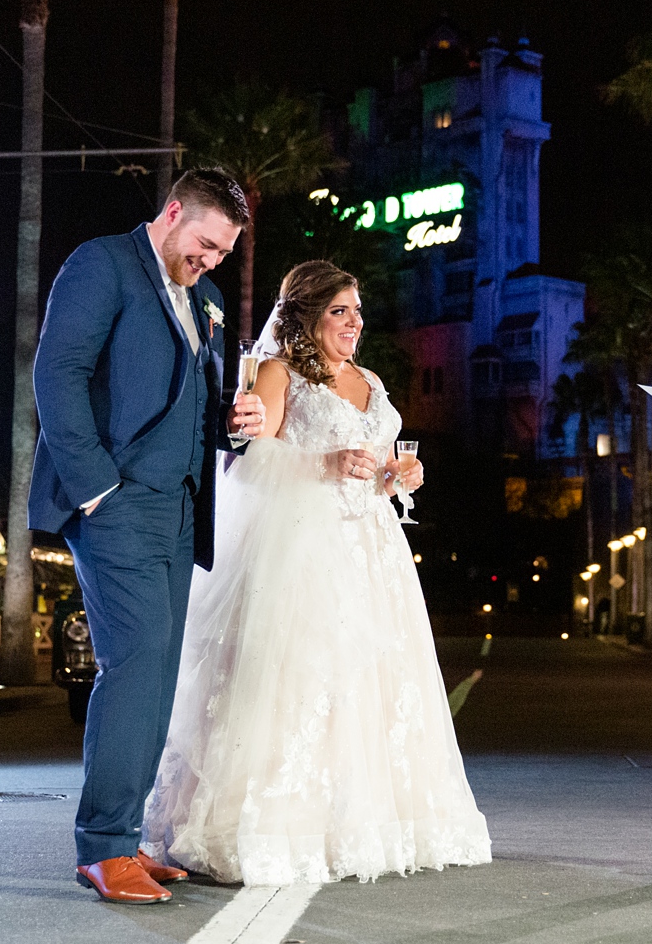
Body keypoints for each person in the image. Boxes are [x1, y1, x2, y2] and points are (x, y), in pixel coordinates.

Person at [141, 260, 492, 886]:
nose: (354, 323)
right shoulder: (281, 374)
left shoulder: (371, 379)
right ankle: (279, 826)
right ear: (307, 315)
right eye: (340, 311)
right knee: (300, 680)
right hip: (302, 547)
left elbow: (381, 463)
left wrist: (401, 475)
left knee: (369, 682)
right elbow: (250, 463)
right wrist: (324, 462)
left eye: (357, 311)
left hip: (373, 550)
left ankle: (362, 824)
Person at [30, 169, 266, 906]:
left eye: (224, 253)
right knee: (134, 660)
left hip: (182, 506)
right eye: (205, 244)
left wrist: (240, 426)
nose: (211, 261)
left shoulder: (211, 301)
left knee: (160, 669)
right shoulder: (101, 265)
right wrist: (96, 486)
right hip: (116, 501)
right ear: (171, 213)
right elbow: (58, 372)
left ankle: (126, 838)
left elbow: (203, 401)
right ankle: (101, 848)